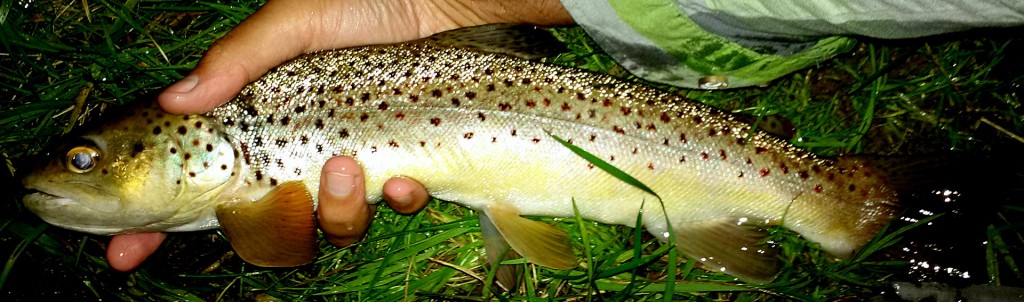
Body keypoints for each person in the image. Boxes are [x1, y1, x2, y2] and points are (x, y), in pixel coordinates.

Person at [107, 0, 1023, 271]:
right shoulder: (253, 154)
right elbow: (271, 235)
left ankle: (855, 207)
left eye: (90, 161)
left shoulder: (253, 134)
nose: (78, 175)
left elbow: (272, 241)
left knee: (820, 211)